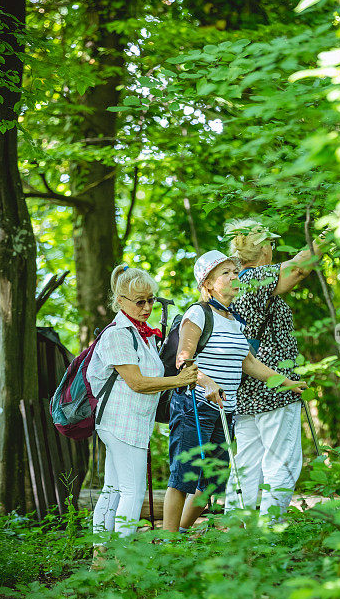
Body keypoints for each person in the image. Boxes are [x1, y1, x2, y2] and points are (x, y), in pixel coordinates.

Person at [162, 250, 307, 533]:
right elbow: (184, 360)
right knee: (184, 476)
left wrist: (286, 382)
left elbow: (249, 362)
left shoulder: (235, 318)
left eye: (234, 271)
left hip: (225, 411)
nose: (233, 276)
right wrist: (207, 382)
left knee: (212, 482)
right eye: (225, 273)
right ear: (208, 284)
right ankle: (166, 544)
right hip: (195, 406)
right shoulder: (198, 313)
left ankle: (178, 533)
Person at [87, 264, 198, 543]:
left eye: (151, 299)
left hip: (132, 423)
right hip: (120, 424)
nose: (147, 307)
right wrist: (179, 380)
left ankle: (101, 556)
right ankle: (122, 561)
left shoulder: (141, 335)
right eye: (140, 301)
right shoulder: (117, 334)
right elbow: (136, 382)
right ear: (121, 301)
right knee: (132, 492)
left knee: (113, 489)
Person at [223, 219, 316, 518]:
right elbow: (300, 267)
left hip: (246, 388)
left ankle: (236, 532)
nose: (273, 250)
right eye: (271, 244)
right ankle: (270, 533)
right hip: (272, 386)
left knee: (247, 462)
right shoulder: (255, 278)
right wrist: (330, 234)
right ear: (263, 248)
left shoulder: (235, 283)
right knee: (282, 461)